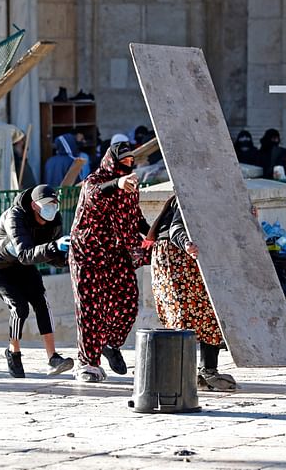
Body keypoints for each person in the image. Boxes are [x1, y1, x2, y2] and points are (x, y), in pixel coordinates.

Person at [69, 141, 150, 382]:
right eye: (122, 161)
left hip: (118, 253)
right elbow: (94, 194)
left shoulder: (131, 187)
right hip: (89, 254)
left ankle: (111, 344)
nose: (127, 164)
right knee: (91, 310)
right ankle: (87, 363)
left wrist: (156, 233)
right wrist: (117, 184)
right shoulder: (95, 181)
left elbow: (136, 219)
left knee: (128, 302)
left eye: (130, 161)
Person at [0, 184, 74, 378]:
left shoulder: (54, 220)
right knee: (19, 308)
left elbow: (51, 256)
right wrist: (54, 246)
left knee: (41, 301)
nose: (52, 207)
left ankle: (53, 357)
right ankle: (13, 352)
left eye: (55, 203)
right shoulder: (15, 216)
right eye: (47, 204)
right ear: (34, 206)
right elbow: (25, 254)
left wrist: (70, 257)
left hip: (24, 262)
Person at [146, 196, 237, 391]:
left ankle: (208, 371)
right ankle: (177, 374)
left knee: (210, 312)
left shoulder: (216, 195)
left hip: (192, 256)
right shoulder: (188, 193)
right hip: (174, 255)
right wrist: (186, 244)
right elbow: (176, 228)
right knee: (180, 316)